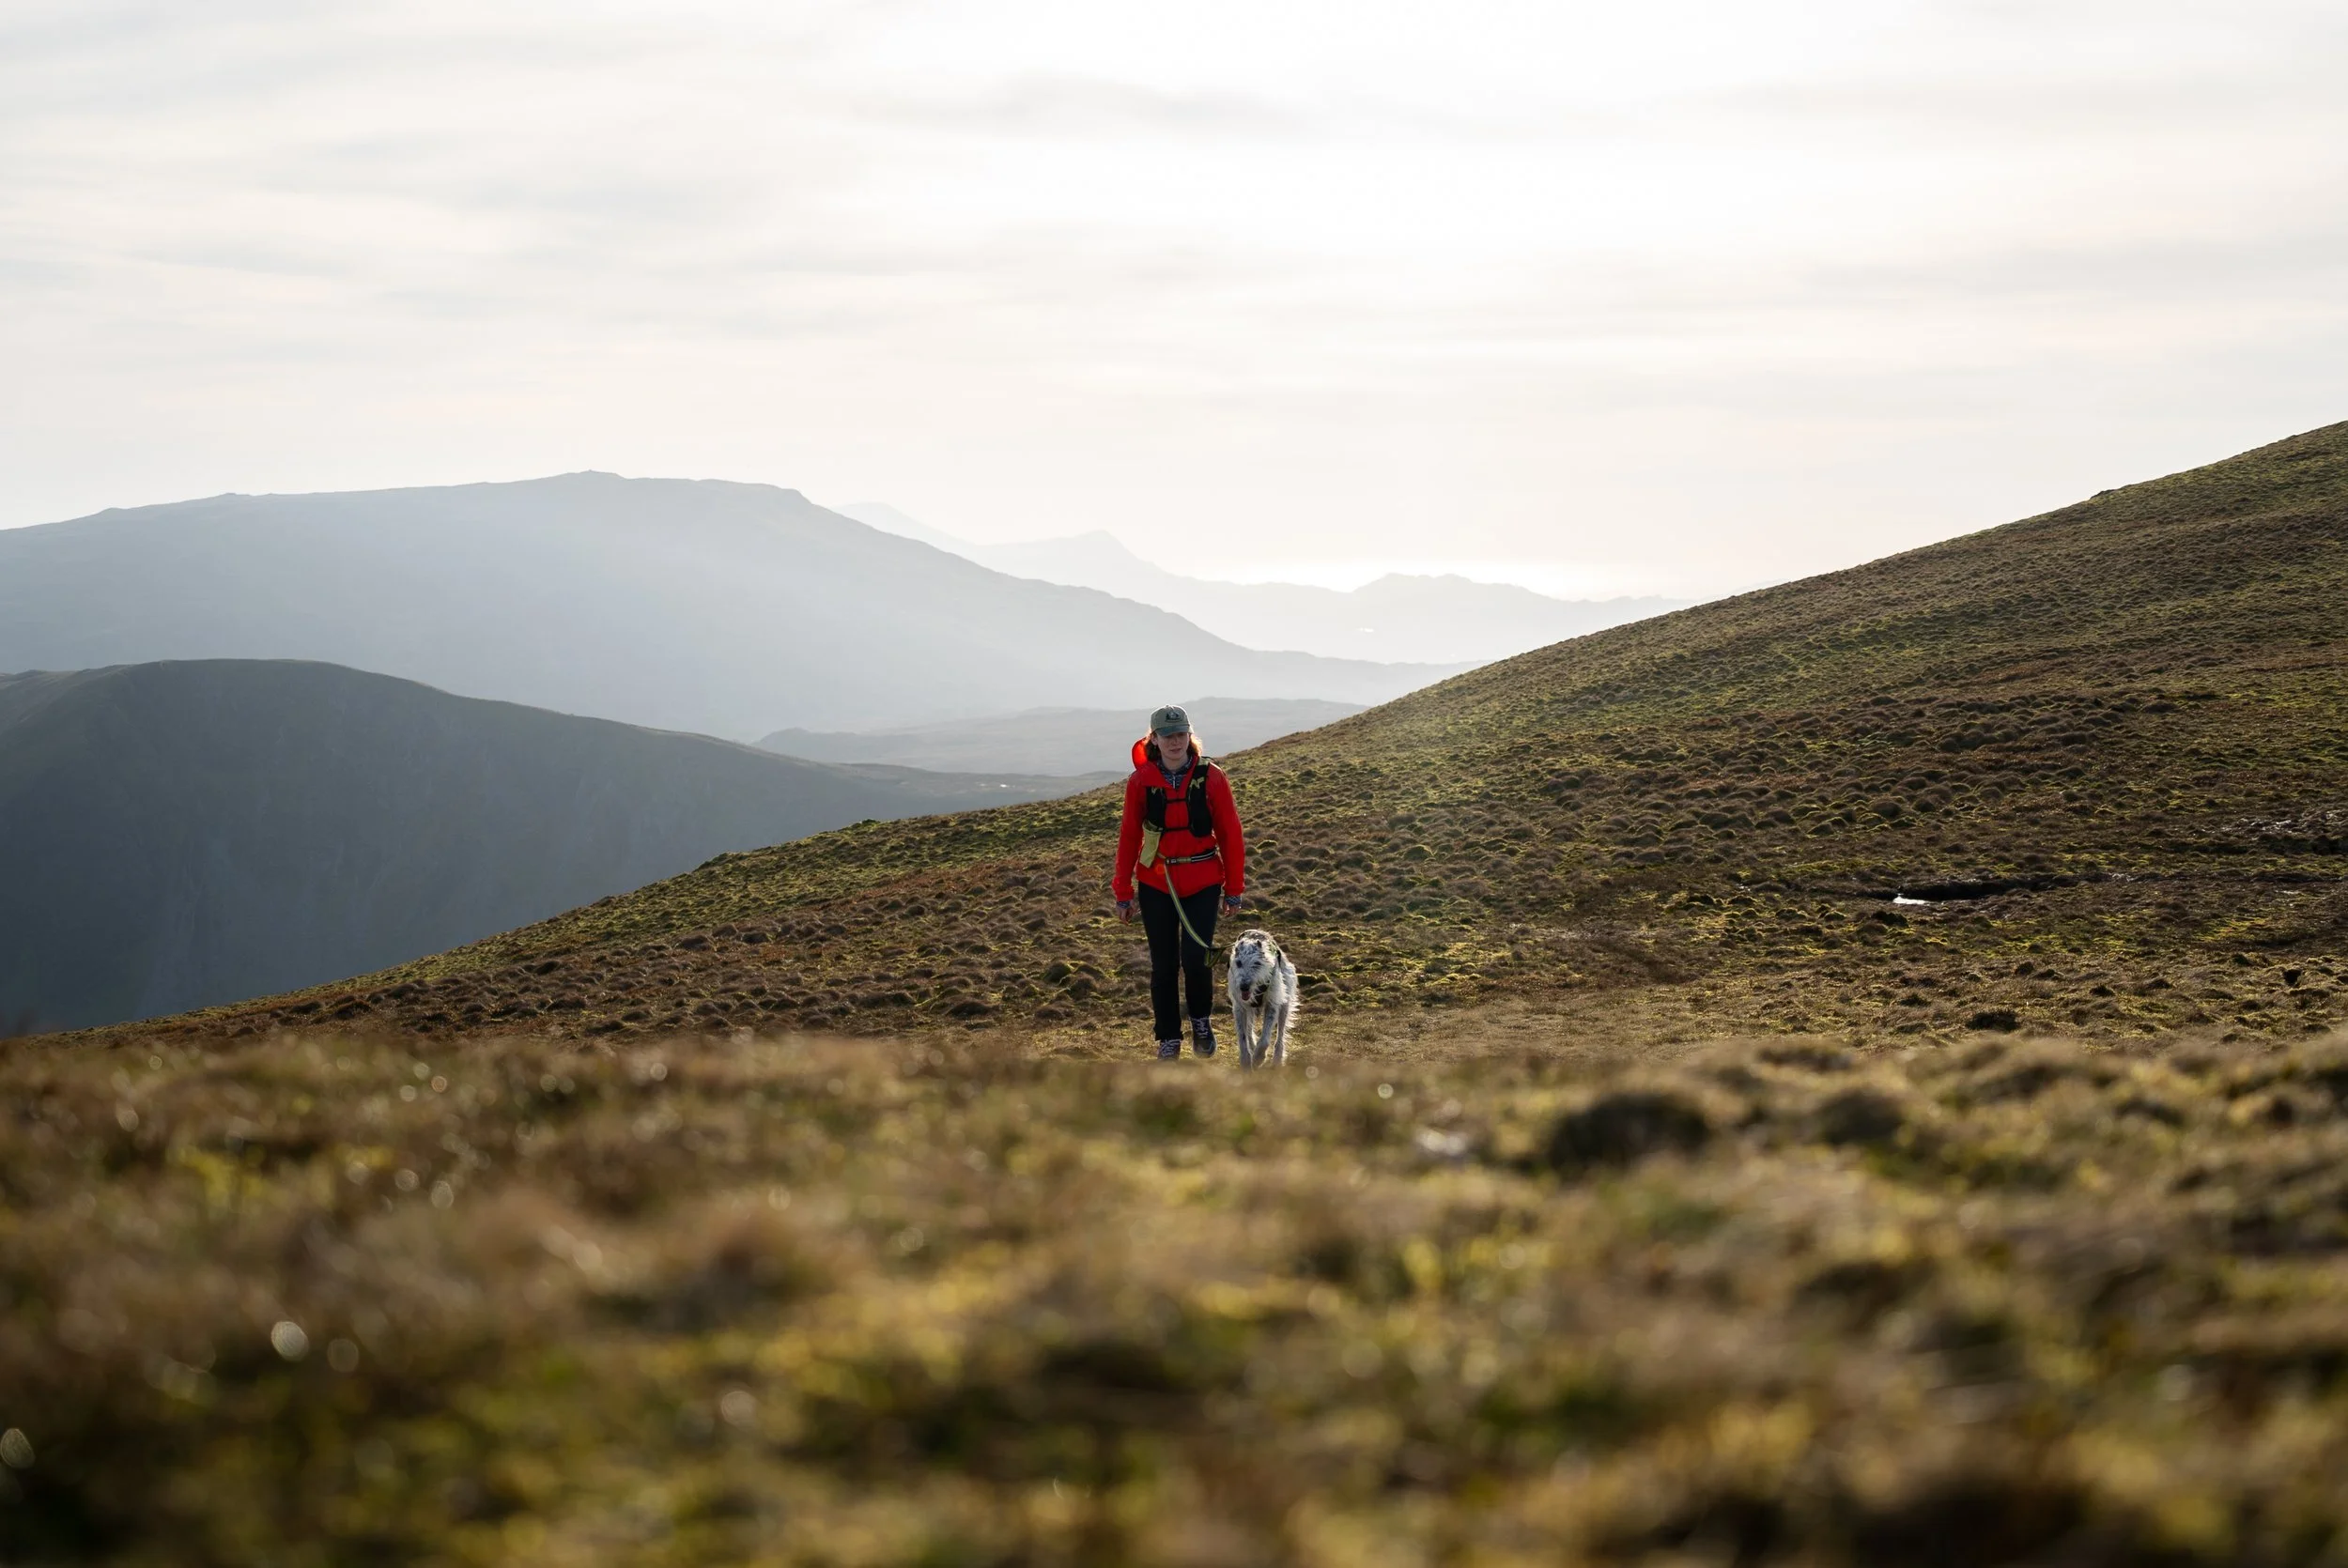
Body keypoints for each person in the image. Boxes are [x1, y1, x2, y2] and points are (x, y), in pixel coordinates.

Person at [1112, 705, 1246, 1060]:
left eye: (1181, 734)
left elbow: (1231, 834)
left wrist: (1234, 888)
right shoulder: (1140, 782)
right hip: (1157, 884)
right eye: (1167, 736)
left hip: (1202, 881)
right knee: (1164, 964)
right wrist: (1123, 893)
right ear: (1153, 739)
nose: (1175, 742)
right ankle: (1168, 1038)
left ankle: (1201, 1022)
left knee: (1197, 958)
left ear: (1190, 736)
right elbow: (1128, 838)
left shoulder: (1211, 776)